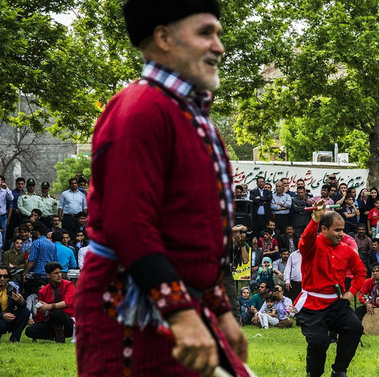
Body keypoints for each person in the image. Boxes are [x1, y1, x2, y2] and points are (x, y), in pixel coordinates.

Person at [75, 2, 249, 376]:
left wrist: (221, 312)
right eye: (205, 32)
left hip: (183, 306)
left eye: (218, 34)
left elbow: (198, 235)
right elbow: (129, 227)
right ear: (163, 37)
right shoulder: (139, 109)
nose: (219, 45)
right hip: (130, 313)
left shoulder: (192, 116)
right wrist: (183, 316)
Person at [294, 201, 366, 377]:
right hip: (312, 306)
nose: (342, 234)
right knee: (319, 342)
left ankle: (339, 370)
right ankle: (314, 374)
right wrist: (315, 220)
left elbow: (360, 271)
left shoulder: (347, 250)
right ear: (324, 229)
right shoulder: (313, 245)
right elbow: (304, 242)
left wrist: (351, 292)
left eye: (343, 230)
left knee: (354, 327)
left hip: (337, 303)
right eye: (337, 230)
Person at [25, 262, 74, 342]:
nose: (59, 275)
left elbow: (67, 302)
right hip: (52, 320)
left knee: (57, 312)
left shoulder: (68, 285)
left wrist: (50, 306)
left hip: (69, 320)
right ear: (48, 275)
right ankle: (55, 335)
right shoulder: (43, 291)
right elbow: (40, 314)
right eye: (56, 273)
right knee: (30, 330)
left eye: (60, 272)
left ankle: (60, 339)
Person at [0, 265, 29, 342]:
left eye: (5, 276)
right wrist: (2, 315)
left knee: (25, 312)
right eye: (0, 276)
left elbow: (22, 306)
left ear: (8, 278)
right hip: (1, 317)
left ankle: (15, 339)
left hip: (9, 316)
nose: (2, 278)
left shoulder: (13, 287)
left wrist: (21, 301)